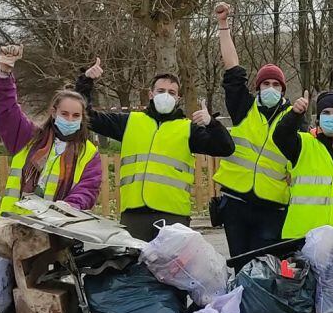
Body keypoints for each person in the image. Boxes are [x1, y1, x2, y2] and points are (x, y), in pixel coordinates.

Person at [74, 59, 234, 242]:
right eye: (161, 91)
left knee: (171, 269)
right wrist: (85, 82)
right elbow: (87, 116)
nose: (166, 95)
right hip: (134, 216)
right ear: (151, 94)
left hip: (173, 217)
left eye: (171, 92)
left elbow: (225, 148)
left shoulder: (188, 129)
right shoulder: (129, 122)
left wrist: (212, 124)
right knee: (134, 268)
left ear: (178, 98)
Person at [211, 2, 293, 256]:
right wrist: (224, 25)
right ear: (257, 88)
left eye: (275, 85)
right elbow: (232, 69)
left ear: (282, 90)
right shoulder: (244, 108)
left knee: (264, 271)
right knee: (239, 265)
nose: (270, 88)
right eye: (265, 84)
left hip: (271, 208)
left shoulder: (291, 119)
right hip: (235, 204)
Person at [0, 45, 101, 214]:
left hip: (57, 232)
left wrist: (70, 205)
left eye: (75, 115)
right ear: (53, 112)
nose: (70, 119)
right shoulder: (29, 138)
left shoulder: (89, 153)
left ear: (82, 118)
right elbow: (6, 110)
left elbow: (89, 188)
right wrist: (4, 72)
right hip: (16, 225)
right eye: (64, 114)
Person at [273, 90, 333, 238]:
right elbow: (280, 136)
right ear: (318, 118)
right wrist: (295, 114)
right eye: (326, 112)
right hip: (302, 238)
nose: (331, 117)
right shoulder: (302, 144)